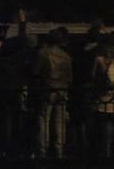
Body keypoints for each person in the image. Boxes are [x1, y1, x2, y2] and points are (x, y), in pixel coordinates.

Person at [32, 27, 73, 159]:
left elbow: (35, 72)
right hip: (62, 91)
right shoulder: (66, 56)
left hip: (47, 89)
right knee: (59, 122)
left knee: (44, 120)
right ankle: (59, 150)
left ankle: (42, 150)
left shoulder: (42, 53)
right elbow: (70, 77)